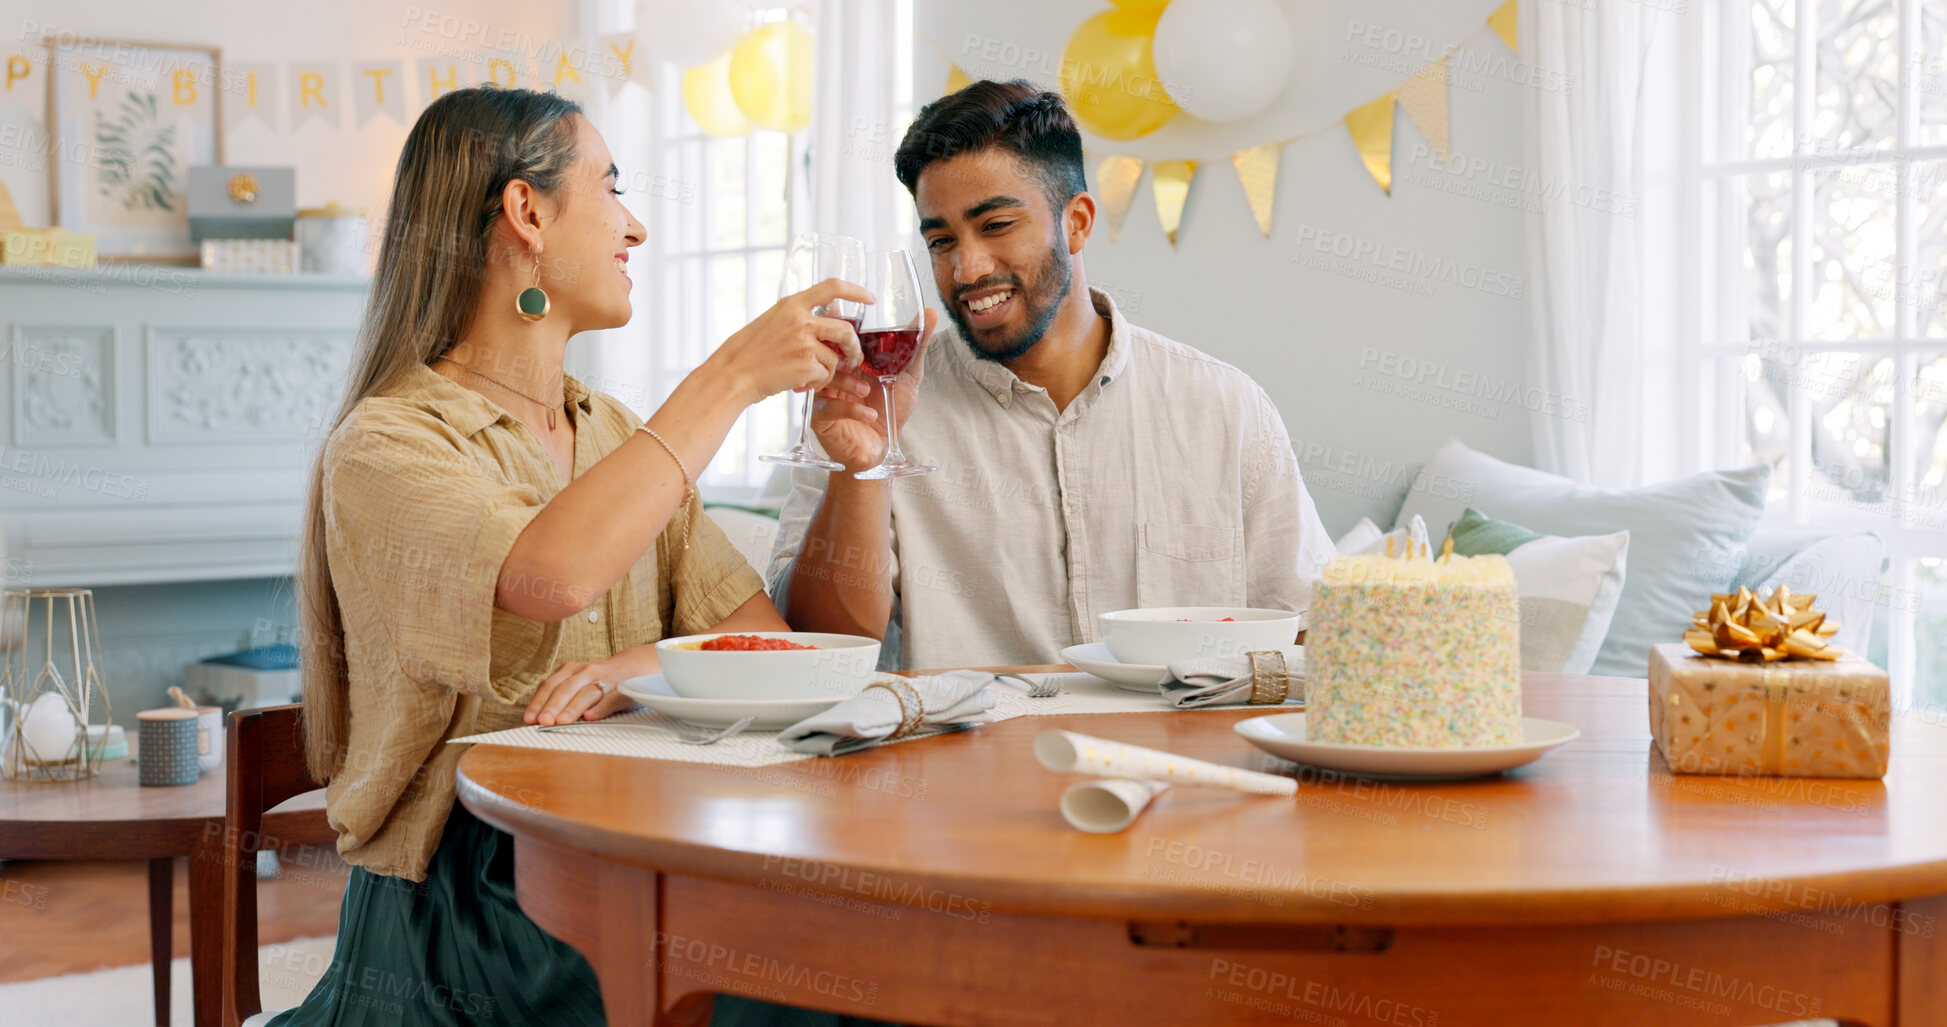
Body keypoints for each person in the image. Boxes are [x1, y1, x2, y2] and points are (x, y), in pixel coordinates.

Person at [278, 86, 877, 1026]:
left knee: (863, 967)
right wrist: (730, 377)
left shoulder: (616, 437)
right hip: (471, 894)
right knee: (801, 996)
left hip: (636, 845)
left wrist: (647, 666)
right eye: (611, 188)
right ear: (526, 212)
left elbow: (786, 649)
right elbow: (549, 576)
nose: (633, 227)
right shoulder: (388, 441)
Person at [768, 80, 1334, 669]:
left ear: (1078, 222)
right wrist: (857, 473)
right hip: (971, 759)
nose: (967, 268)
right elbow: (818, 649)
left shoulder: (1224, 408)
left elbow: (1307, 632)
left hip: (1173, 761)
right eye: (941, 240)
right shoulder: (875, 409)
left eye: (995, 226)